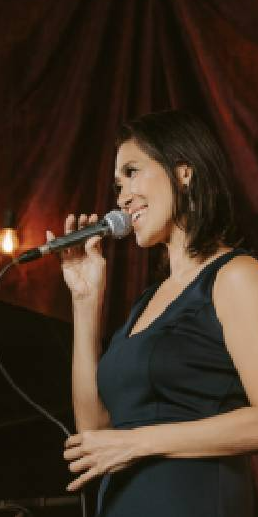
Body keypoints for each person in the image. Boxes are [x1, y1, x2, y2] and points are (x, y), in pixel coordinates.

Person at [55, 110, 258, 516]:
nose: (122, 198)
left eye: (132, 172)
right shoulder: (147, 303)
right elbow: (93, 434)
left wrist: (138, 442)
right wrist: (85, 300)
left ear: (184, 172)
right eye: (117, 186)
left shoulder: (235, 275)